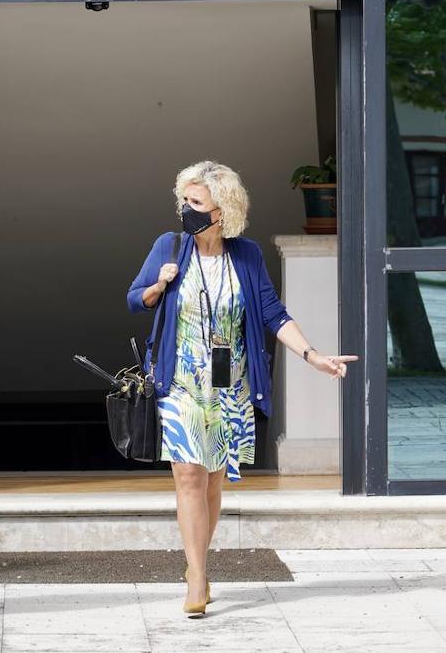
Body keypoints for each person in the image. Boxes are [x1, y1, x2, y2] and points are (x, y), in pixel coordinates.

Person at [127, 160, 358, 617]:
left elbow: (273, 313)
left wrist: (313, 356)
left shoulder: (246, 255)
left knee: (213, 480)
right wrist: (159, 283)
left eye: (196, 202)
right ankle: (196, 575)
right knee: (189, 475)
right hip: (180, 382)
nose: (186, 209)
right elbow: (136, 299)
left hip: (230, 384)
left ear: (222, 211)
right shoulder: (169, 246)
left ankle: (199, 560)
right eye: (184, 200)